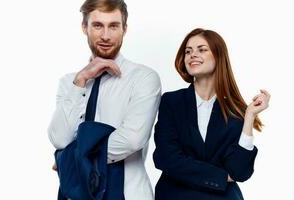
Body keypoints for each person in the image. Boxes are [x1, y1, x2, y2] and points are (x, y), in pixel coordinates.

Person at [48, 0, 161, 199]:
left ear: (124, 29)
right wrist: (81, 80)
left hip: (128, 193)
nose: (106, 36)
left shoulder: (143, 78)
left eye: (114, 26)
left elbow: (132, 139)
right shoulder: (69, 82)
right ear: (85, 27)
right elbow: (60, 139)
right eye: (98, 25)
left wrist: (71, 159)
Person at [153, 28, 270, 200]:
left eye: (202, 49)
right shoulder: (172, 102)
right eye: (188, 51)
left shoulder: (237, 111)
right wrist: (221, 177)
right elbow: (165, 157)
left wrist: (249, 117)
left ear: (218, 56)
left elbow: (239, 171)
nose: (192, 55)